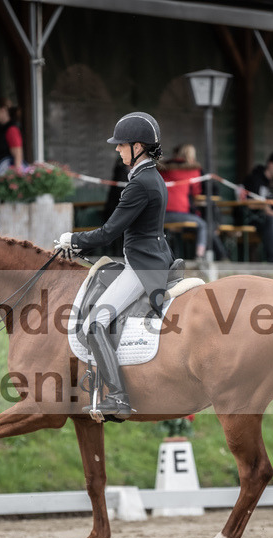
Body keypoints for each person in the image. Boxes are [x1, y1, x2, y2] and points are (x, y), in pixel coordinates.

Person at [55, 112, 175, 421]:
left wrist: (73, 239)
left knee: (95, 323)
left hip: (142, 266)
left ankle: (118, 398)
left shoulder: (140, 184)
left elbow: (109, 232)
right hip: (148, 257)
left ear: (137, 146)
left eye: (121, 145)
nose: (117, 150)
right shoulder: (150, 176)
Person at [159, 143, 226, 260]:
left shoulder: (162, 168)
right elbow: (196, 192)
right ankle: (199, 256)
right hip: (180, 212)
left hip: (160, 214)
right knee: (202, 225)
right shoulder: (192, 170)